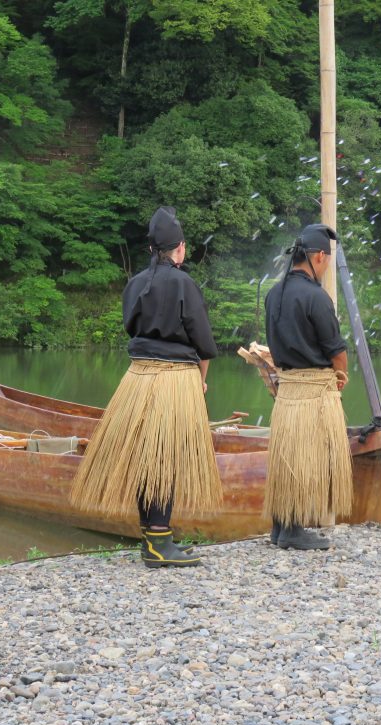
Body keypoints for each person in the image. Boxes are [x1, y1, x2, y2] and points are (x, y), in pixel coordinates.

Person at [70, 206, 222, 567]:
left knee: (147, 456)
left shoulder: (136, 282)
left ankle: (155, 537)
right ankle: (157, 541)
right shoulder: (184, 283)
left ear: (153, 248)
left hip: (138, 377)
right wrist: (201, 382)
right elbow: (203, 343)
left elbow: (129, 326)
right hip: (174, 380)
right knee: (163, 459)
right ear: (180, 248)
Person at [263, 223, 352, 550]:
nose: (326, 267)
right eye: (326, 260)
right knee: (306, 459)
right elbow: (337, 352)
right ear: (317, 257)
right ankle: (294, 530)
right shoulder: (316, 297)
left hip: (287, 393)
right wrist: (337, 384)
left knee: (288, 456)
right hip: (313, 391)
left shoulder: (274, 294)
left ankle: (281, 526)